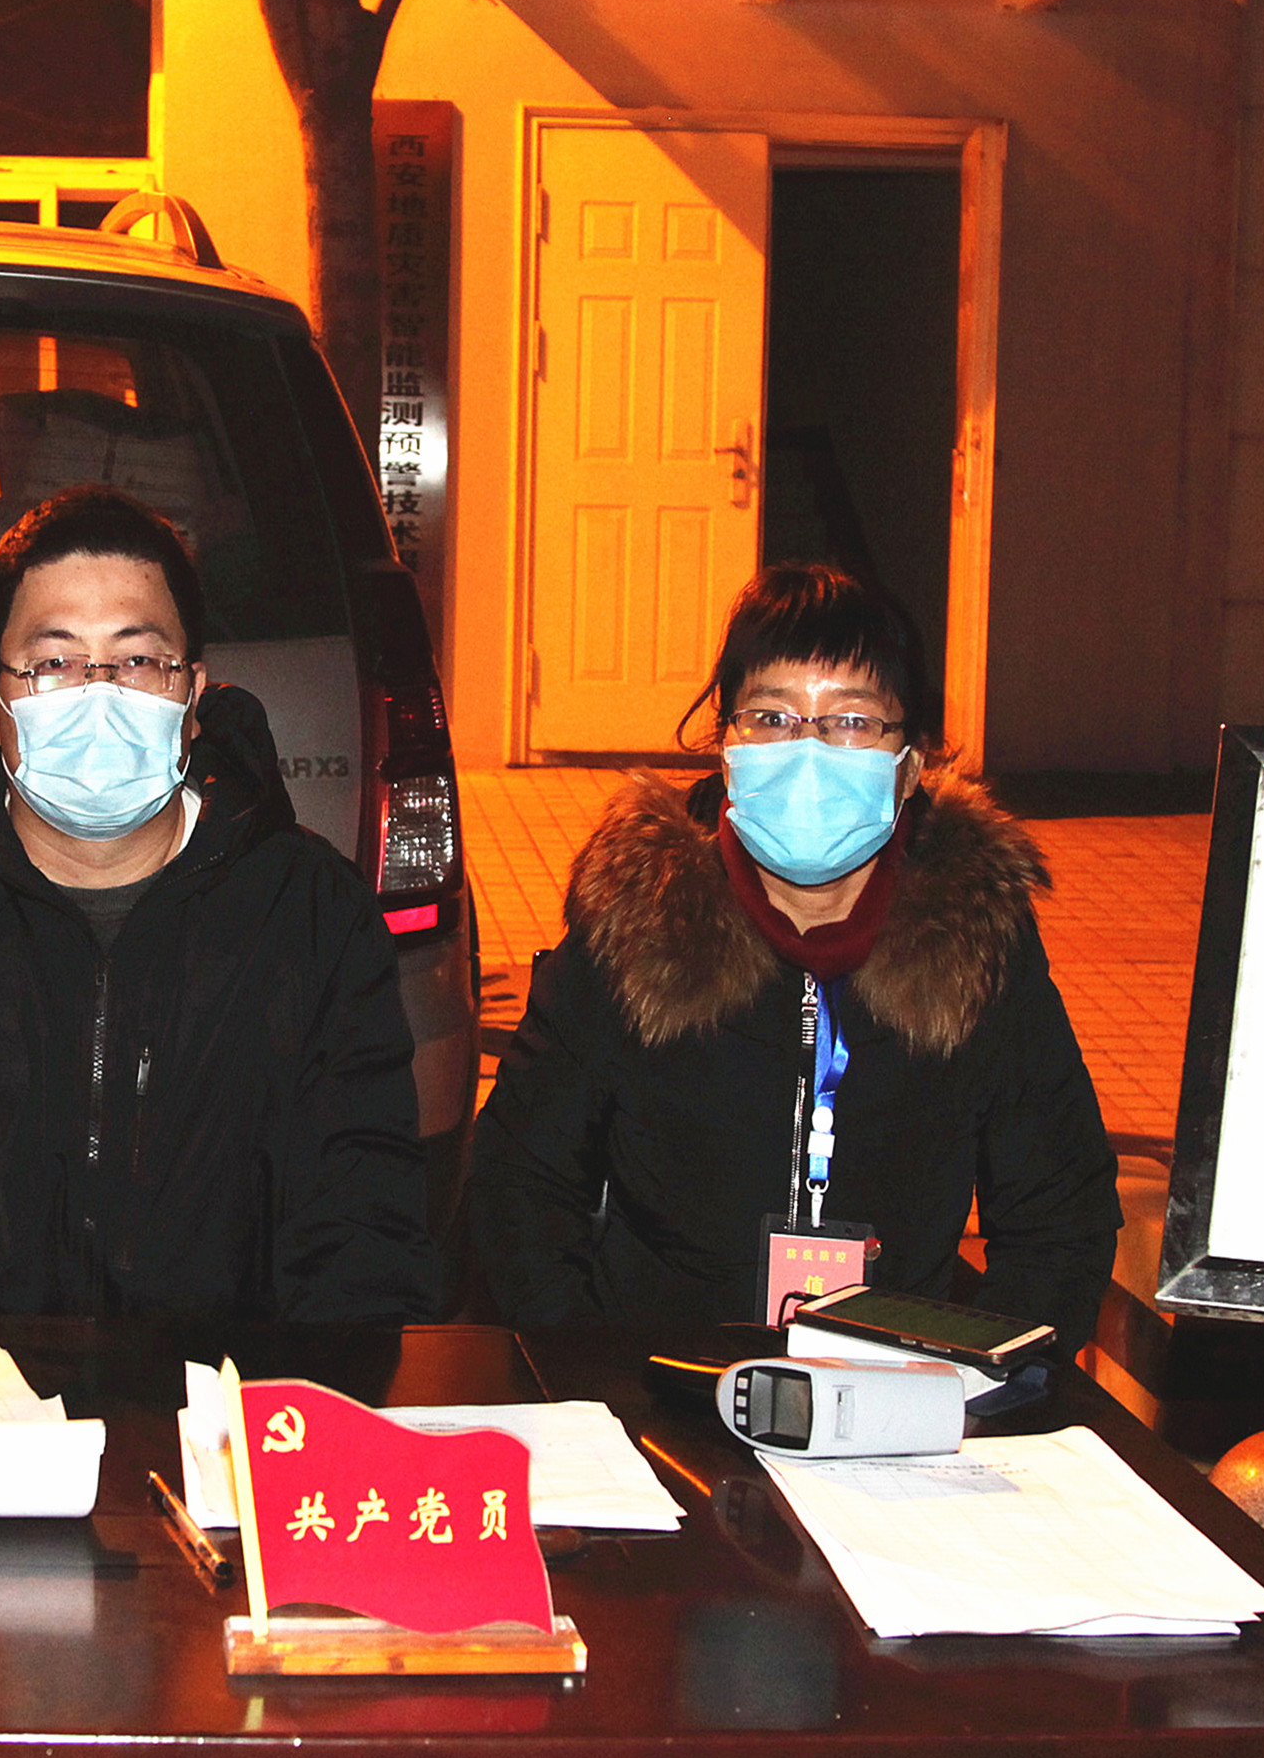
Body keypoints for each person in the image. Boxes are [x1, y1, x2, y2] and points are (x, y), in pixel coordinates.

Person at [0, 484, 434, 1319]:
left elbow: (362, 1237)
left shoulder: (310, 913)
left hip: (224, 1392)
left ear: (192, 698)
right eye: (54, 663)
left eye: (138, 660)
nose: (98, 693)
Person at [471, 562, 1121, 1336]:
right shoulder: (639, 924)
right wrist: (590, 1367)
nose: (807, 749)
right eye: (771, 717)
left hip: (894, 1382)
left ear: (909, 765)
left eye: (851, 720)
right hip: (657, 1372)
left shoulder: (975, 941)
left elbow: (1060, 1213)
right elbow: (520, 1181)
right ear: (726, 746)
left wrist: (970, 1377)